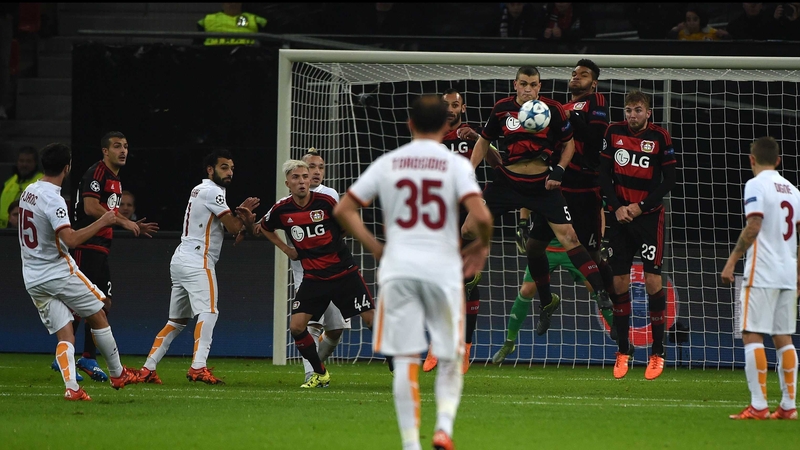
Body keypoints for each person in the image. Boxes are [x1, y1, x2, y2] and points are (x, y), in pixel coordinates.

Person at [334, 94, 492, 450]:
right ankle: (444, 429)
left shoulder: (389, 162)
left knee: (405, 358)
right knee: (451, 355)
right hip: (442, 268)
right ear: (445, 125)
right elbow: (482, 216)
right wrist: (480, 248)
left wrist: (375, 247)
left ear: (409, 124)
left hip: (399, 269)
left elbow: (345, 209)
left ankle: (410, 443)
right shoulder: (455, 165)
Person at [465, 65, 613, 346]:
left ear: (539, 86)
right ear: (515, 84)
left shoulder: (553, 110)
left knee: (570, 237)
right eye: (523, 84)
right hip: (508, 182)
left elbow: (569, 144)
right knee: (468, 228)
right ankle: (470, 273)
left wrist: (559, 170)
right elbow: (484, 142)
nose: (528, 89)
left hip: (541, 187)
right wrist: (468, 170)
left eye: (533, 84)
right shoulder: (501, 109)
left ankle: (601, 293)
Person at [238, 159, 376, 389]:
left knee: (352, 325)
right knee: (300, 326)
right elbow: (262, 228)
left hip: (342, 273)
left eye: (306, 176)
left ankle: (396, 363)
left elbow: (344, 225)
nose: (303, 181)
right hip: (312, 277)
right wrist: (284, 248)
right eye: (297, 177)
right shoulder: (282, 208)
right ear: (287, 183)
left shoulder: (327, 199)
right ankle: (316, 374)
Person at [20, 143, 139, 401]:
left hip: (32, 277)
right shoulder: (54, 200)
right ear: (67, 167)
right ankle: (118, 374)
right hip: (56, 272)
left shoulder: (29, 191)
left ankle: (72, 388)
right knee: (98, 312)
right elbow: (71, 240)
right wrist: (104, 221)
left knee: (65, 333)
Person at [136, 150, 259, 385]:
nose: (229, 172)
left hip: (181, 258)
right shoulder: (213, 192)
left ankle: (148, 368)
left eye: (232, 168)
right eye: (224, 167)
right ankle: (198, 367)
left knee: (177, 321)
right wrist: (243, 215)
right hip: (197, 260)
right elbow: (233, 227)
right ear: (210, 170)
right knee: (209, 311)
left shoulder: (202, 190)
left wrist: (241, 220)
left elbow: (223, 226)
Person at [55, 131, 158, 383]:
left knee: (104, 303)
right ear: (105, 151)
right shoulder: (97, 173)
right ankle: (64, 357)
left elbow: (106, 211)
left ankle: (88, 358)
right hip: (85, 244)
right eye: (116, 146)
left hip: (100, 247)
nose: (123, 150)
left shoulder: (115, 179)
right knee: (83, 303)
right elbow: (90, 208)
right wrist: (123, 221)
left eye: (125, 146)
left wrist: (131, 224)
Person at [599, 90, 677, 380]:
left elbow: (669, 179)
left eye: (638, 110)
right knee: (618, 284)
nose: (632, 115)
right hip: (619, 219)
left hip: (648, 218)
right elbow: (603, 174)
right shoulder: (613, 132)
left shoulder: (660, 138)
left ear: (648, 113)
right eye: (629, 110)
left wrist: (639, 206)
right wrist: (617, 208)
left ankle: (657, 352)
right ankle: (623, 350)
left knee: (653, 282)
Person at [721, 136, 799, 421]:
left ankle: (758, 405)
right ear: (778, 161)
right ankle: (789, 407)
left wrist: (731, 261)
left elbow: (753, 224)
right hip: (788, 273)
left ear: (752, 160)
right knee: (784, 338)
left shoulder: (755, 184)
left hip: (762, 270)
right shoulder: (793, 190)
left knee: (752, 333)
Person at [420, 88, 490, 375]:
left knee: (469, 282)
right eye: (446, 104)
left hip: (466, 213)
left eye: (455, 105)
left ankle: (465, 348)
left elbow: (497, 160)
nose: (450, 109)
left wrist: (478, 139)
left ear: (463, 108)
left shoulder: (472, 135)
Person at [291, 148, 352, 383]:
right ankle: (313, 373)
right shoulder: (289, 200)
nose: (316, 172)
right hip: (307, 275)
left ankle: (318, 364)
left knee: (336, 331)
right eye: (311, 168)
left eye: (320, 167)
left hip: (334, 272)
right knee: (309, 325)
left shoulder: (330, 195)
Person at [1, 146, 43, 228]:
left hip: (28, 232)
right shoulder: (9, 182)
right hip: (4, 231)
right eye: (21, 161)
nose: (24, 164)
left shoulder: (42, 182)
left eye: (28, 161)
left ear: (35, 163)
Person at [196, 3, 267, 46]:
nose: (233, 4)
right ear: (223, 4)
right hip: (214, 57)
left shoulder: (256, 20)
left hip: (246, 59)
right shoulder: (207, 20)